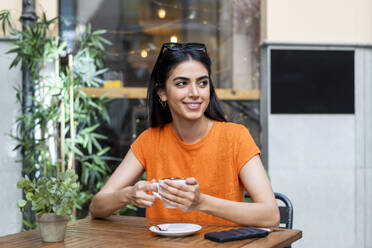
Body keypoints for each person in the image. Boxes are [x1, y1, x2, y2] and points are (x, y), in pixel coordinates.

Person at [89, 42, 280, 227]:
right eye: (182, 84)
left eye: (202, 83)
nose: (195, 93)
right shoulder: (149, 141)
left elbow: (270, 215)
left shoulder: (236, 137)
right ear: (162, 92)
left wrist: (201, 202)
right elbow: (97, 207)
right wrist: (128, 195)